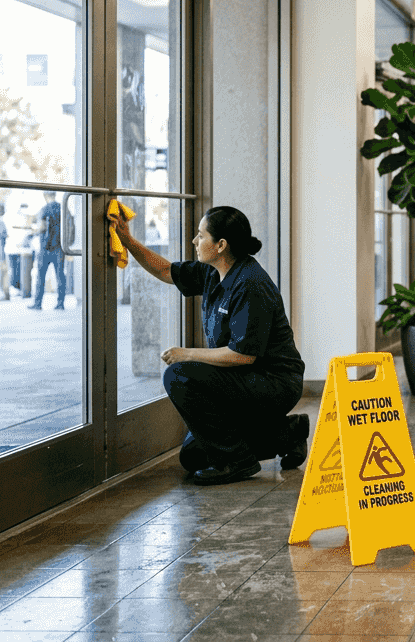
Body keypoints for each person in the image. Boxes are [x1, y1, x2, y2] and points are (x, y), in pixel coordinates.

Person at [110, 204, 309, 486]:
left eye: (201, 236)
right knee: (194, 457)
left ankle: (238, 462)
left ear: (220, 245)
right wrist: (127, 240)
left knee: (179, 375)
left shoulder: (250, 284)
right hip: (243, 378)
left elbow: (243, 356)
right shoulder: (213, 272)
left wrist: (186, 354)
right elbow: (166, 270)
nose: (195, 241)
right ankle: (286, 433)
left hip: (273, 382)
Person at [29, 192, 66, 310]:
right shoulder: (62, 208)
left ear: (45, 196)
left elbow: (42, 227)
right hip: (60, 247)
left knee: (40, 276)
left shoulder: (45, 209)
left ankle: (38, 303)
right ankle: (60, 303)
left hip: (45, 248)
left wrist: (32, 232)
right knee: (60, 275)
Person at [9, 202, 34, 299]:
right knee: (16, 271)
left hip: (25, 251)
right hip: (17, 249)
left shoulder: (28, 218)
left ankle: (25, 292)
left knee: (23, 272)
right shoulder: (17, 218)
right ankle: (20, 290)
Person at [0, 203, 11, 301]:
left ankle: (4, 294)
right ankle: (4, 294)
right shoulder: (0, 222)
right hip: (0, 252)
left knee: (1, 274)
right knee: (2, 273)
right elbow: (4, 236)